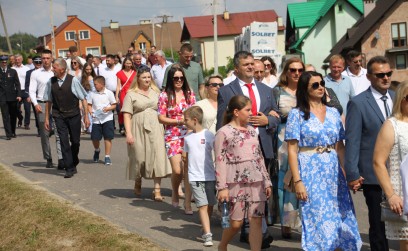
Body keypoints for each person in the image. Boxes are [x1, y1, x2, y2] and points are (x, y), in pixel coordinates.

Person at [285, 71, 362, 250]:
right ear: (305, 89)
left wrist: (350, 173)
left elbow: (340, 147)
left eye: (322, 84)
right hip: (310, 170)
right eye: (315, 85)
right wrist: (298, 181)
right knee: (316, 218)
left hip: (333, 172)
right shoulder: (296, 115)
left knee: (340, 216)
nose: (321, 87)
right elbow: (292, 149)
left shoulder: (334, 112)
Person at [345, 56, 395, 251]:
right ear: (370, 77)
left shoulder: (398, 97)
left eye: (388, 73)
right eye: (380, 74)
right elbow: (353, 140)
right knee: (378, 222)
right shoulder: (358, 103)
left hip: (399, 169)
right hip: (372, 173)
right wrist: (353, 173)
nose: (385, 78)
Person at [216, 95, 272, 251]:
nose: (251, 113)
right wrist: (222, 187)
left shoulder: (253, 132)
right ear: (236, 111)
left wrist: (267, 181)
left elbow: (259, 156)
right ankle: (223, 245)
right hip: (235, 181)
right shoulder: (223, 133)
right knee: (236, 222)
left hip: (256, 180)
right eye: (247, 110)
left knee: (256, 220)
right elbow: (219, 160)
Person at [122, 67, 171, 200]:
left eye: (149, 77)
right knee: (139, 158)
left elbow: (165, 111)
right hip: (137, 128)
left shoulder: (157, 92)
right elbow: (127, 115)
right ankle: (138, 180)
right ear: (138, 78)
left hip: (156, 127)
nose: (147, 80)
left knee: (158, 157)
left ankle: (157, 190)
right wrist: (129, 133)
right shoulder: (131, 94)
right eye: (144, 77)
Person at [272, 57, 304, 238]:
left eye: (300, 70)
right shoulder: (277, 91)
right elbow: (273, 115)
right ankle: (287, 222)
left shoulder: (308, 90)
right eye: (293, 70)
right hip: (284, 141)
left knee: (303, 179)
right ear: (286, 72)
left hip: (305, 141)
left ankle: (302, 221)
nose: (297, 73)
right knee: (285, 182)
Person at [373, 81, 408, 250]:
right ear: (401, 99)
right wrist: (391, 194)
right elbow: (378, 162)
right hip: (403, 193)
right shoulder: (392, 125)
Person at [158, 64, 196, 211]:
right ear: (170, 79)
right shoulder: (164, 95)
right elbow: (161, 118)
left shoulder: (189, 94)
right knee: (178, 170)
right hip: (172, 135)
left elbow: (194, 113)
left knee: (187, 169)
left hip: (188, 134)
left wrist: (192, 126)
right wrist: (178, 121)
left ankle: (187, 203)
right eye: (176, 78)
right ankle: (175, 191)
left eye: (181, 78)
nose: (179, 80)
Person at [44, 58, 90, 178]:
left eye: (54, 67)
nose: (52, 69)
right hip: (59, 115)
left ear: (62, 69)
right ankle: (69, 168)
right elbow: (48, 101)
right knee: (63, 141)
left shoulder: (73, 80)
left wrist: (86, 116)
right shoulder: (50, 82)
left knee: (75, 141)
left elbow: (83, 98)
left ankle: (74, 160)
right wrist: (47, 119)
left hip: (73, 115)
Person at [182, 106, 216, 246]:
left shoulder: (209, 136)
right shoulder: (188, 138)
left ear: (195, 120)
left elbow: (217, 153)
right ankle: (208, 235)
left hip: (209, 176)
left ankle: (205, 226)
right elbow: (186, 157)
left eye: (186, 120)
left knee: (209, 204)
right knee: (202, 205)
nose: (184, 122)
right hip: (195, 177)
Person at [29, 49, 63, 169]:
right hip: (42, 104)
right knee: (45, 133)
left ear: (52, 58)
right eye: (43, 58)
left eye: (48, 58)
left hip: (57, 105)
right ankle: (48, 158)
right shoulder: (36, 73)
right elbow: (32, 91)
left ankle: (61, 158)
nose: (45, 60)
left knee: (60, 132)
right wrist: (35, 104)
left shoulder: (56, 72)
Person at [87, 76, 116, 165]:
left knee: (108, 137)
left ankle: (107, 156)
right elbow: (89, 104)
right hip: (96, 119)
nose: (94, 86)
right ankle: (97, 150)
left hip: (107, 118)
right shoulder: (92, 93)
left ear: (102, 84)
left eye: (96, 84)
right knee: (95, 138)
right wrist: (91, 112)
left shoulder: (109, 93)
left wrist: (108, 108)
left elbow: (114, 105)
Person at [0, 55, 21, 140]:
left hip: (12, 97)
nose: (4, 63)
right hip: (2, 97)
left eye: (5, 62)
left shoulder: (13, 71)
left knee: (13, 115)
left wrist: (19, 94)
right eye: (2, 62)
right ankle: (8, 134)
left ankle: (13, 131)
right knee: (5, 116)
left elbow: (17, 84)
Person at [115, 57, 136, 135]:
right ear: (124, 64)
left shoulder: (134, 73)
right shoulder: (120, 73)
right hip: (124, 93)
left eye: (130, 63)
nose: (128, 65)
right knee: (124, 110)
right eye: (127, 63)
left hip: (133, 93)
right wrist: (116, 96)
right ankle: (123, 127)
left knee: (133, 110)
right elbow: (118, 86)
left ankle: (132, 127)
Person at [12, 54, 30, 128]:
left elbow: (30, 80)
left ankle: (26, 124)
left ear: (22, 60)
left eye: (19, 59)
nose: (17, 61)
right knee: (15, 108)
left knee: (27, 108)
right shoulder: (12, 69)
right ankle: (20, 118)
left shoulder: (27, 68)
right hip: (16, 91)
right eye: (16, 59)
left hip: (25, 90)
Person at [25, 56, 42, 134]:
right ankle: (39, 129)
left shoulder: (45, 71)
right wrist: (28, 95)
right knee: (37, 113)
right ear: (34, 63)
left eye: (39, 62)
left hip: (43, 95)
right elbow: (27, 84)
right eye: (36, 62)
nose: (38, 64)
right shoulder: (29, 72)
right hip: (34, 96)